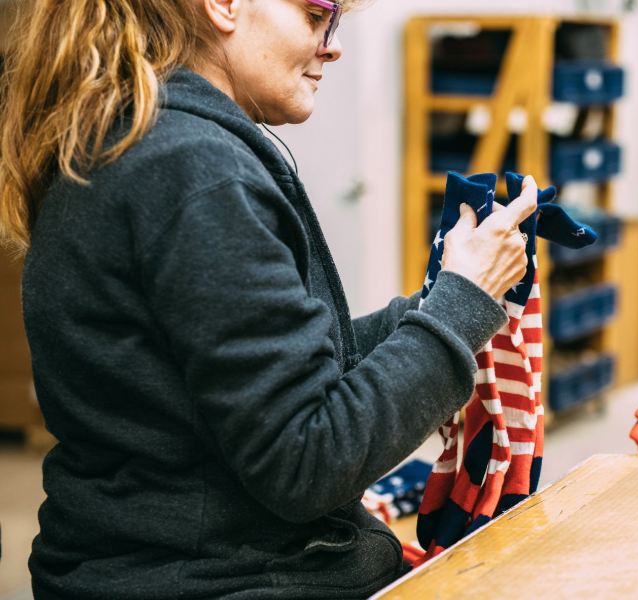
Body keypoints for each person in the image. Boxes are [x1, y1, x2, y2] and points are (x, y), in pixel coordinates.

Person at [0, 0, 538, 598]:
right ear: (223, 6)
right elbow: (310, 461)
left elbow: (261, 381)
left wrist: (438, 306)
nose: (330, 45)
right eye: (315, 15)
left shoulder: (135, 142)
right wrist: (460, 307)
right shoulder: (195, 169)